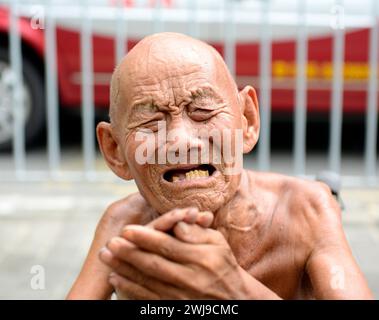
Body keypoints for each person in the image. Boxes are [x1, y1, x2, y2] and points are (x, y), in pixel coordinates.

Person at [67, 32, 373, 299]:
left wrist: (235, 290)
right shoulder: (125, 228)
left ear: (247, 120)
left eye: (202, 111)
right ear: (115, 150)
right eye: (150, 121)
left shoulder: (305, 211)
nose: (181, 140)